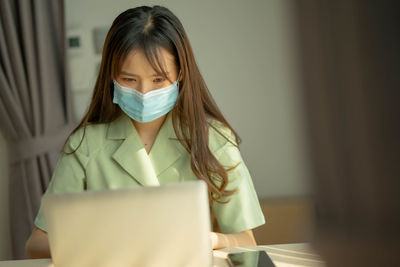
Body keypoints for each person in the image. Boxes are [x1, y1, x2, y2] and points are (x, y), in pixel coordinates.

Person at [25, 5, 265, 258]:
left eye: (159, 80)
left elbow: (246, 240)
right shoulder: (85, 145)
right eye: (129, 80)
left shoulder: (214, 139)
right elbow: (36, 244)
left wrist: (210, 239)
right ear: (111, 76)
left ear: (181, 73)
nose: (144, 93)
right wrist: (104, 244)